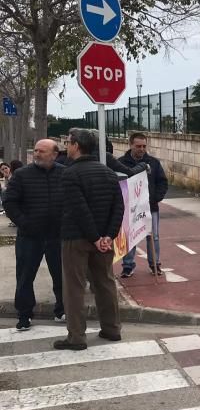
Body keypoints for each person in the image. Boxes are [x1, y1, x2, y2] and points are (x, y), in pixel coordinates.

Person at [56, 128, 124, 351]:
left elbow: (78, 210)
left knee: (74, 287)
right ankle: (112, 329)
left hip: (76, 239)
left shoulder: (70, 174)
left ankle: (76, 337)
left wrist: (95, 237)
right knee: (105, 283)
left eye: (68, 142)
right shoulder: (108, 173)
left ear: (76, 145)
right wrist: (107, 236)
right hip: (104, 240)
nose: (66, 146)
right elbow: (119, 208)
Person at [3, 140, 66, 330]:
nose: (37, 154)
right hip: (29, 236)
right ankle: (24, 315)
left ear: (54, 154)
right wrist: (24, 223)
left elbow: (73, 201)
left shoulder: (64, 173)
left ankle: (62, 309)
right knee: (25, 276)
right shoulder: (22, 175)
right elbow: (9, 202)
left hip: (57, 236)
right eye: (36, 150)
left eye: (42, 151)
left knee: (61, 275)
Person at [118, 132, 169, 278]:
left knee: (153, 236)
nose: (141, 149)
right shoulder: (121, 162)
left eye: (144, 146)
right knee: (130, 236)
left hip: (150, 207)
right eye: (138, 146)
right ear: (131, 145)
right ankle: (128, 266)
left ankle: (155, 264)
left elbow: (162, 182)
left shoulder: (153, 162)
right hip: (130, 208)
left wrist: (156, 198)